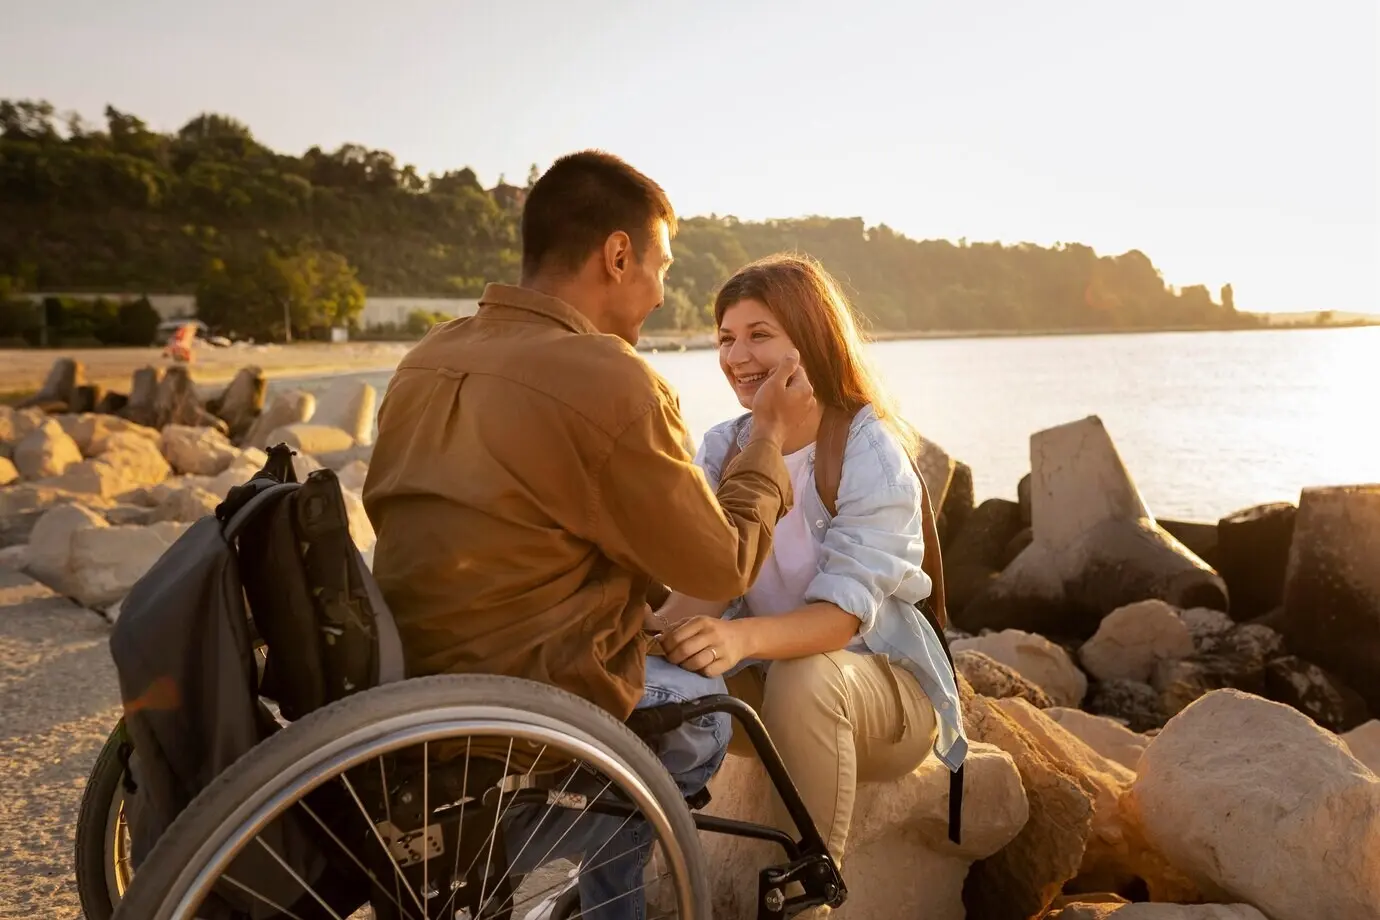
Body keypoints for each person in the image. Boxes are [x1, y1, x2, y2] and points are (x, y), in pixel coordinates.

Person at [361, 151, 816, 917]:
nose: (662, 292)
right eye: (660, 265)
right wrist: (767, 436)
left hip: (407, 683)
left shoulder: (426, 357)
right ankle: (538, 877)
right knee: (703, 710)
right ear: (617, 255)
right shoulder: (608, 378)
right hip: (525, 704)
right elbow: (722, 561)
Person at [653, 253, 968, 881]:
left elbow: (841, 618)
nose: (737, 356)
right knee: (647, 676)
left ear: (811, 341)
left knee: (805, 678)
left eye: (760, 335)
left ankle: (807, 891)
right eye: (726, 338)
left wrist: (737, 637)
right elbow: (708, 585)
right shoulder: (723, 446)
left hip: (880, 700)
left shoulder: (868, 448)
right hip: (764, 686)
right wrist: (647, 633)